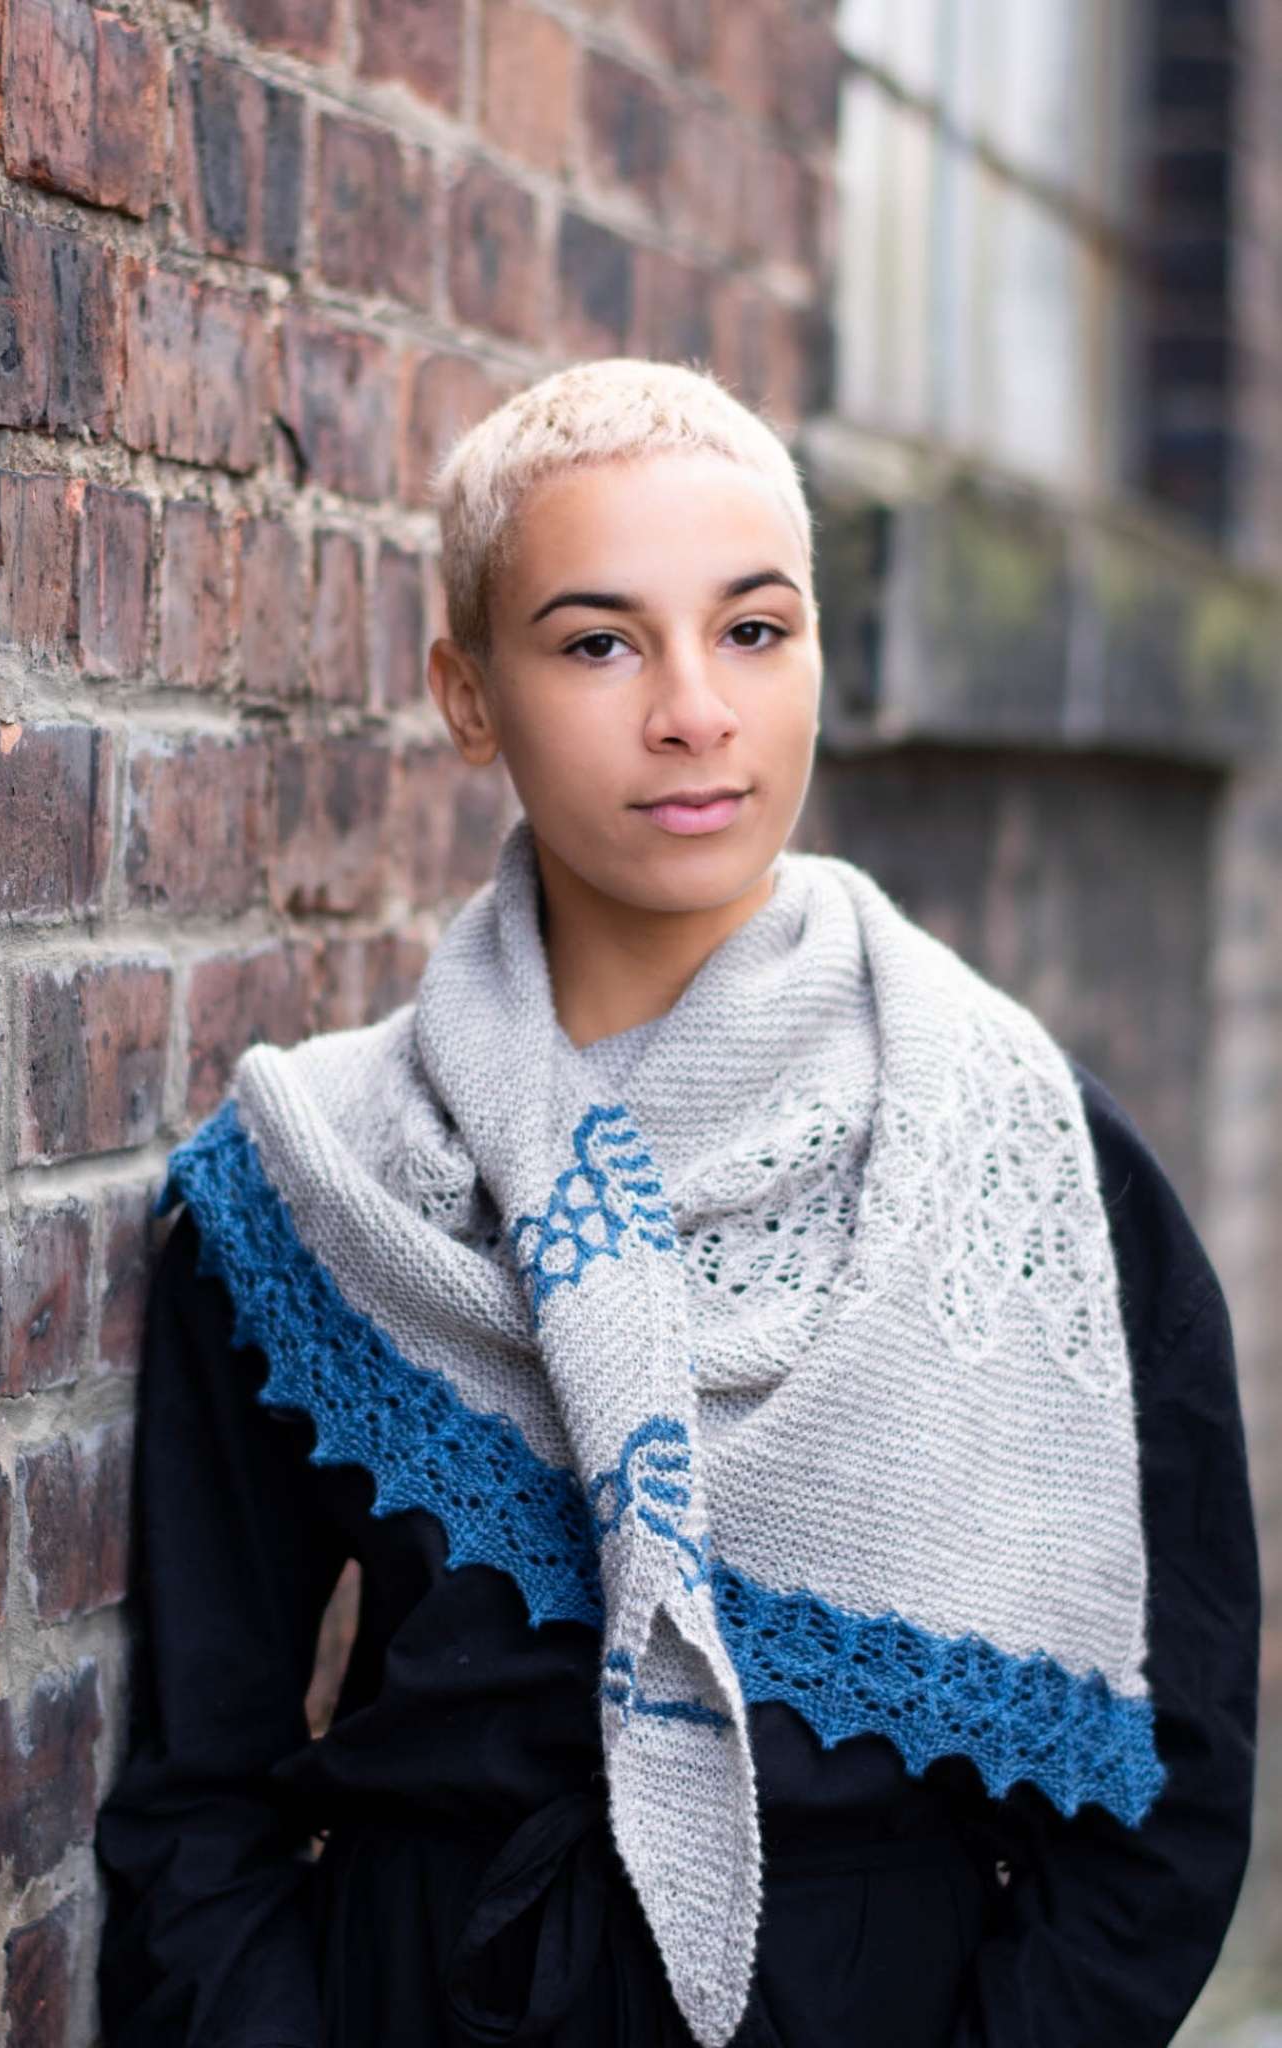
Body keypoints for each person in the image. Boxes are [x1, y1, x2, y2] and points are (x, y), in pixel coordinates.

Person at [93, 358, 1260, 2048]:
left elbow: (1175, 1771)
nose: (693, 709)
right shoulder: (322, 1185)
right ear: (466, 695)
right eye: (597, 642)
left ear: (814, 664)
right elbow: (198, 1790)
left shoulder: (1027, 1162)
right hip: (432, 1991)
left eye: (753, 630)